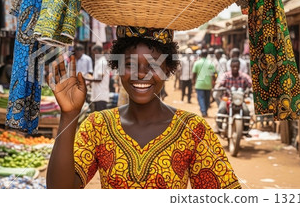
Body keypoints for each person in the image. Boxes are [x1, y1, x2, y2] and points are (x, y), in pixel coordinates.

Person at [46, 26, 240, 189]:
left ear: (167, 69)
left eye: (153, 65)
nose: (141, 74)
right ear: (118, 68)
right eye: (130, 64)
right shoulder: (97, 125)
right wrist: (69, 115)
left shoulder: (193, 129)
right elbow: (60, 192)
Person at [215, 58, 252, 131]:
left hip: (240, 100)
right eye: (233, 66)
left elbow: (251, 83)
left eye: (237, 67)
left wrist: (251, 89)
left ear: (239, 67)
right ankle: (218, 128)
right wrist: (217, 87)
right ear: (230, 66)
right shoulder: (226, 75)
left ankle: (246, 130)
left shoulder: (244, 76)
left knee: (246, 111)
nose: (235, 68)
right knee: (221, 109)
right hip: (227, 98)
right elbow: (220, 83)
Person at [192, 49, 216, 117]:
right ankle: (205, 110)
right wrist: (214, 81)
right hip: (208, 84)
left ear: (201, 55)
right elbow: (213, 74)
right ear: (207, 55)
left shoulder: (197, 63)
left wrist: (193, 81)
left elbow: (194, 74)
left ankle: (203, 111)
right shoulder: (210, 63)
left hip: (199, 84)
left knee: (201, 98)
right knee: (207, 98)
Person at [87, 45, 110, 112]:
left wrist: (87, 78)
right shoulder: (99, 62)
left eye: (93, 53)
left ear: (97, 52)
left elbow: (99, 79)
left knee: (101, 117)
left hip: (101, 95)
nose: (92, 55)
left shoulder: (102, 62)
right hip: (98, 94)